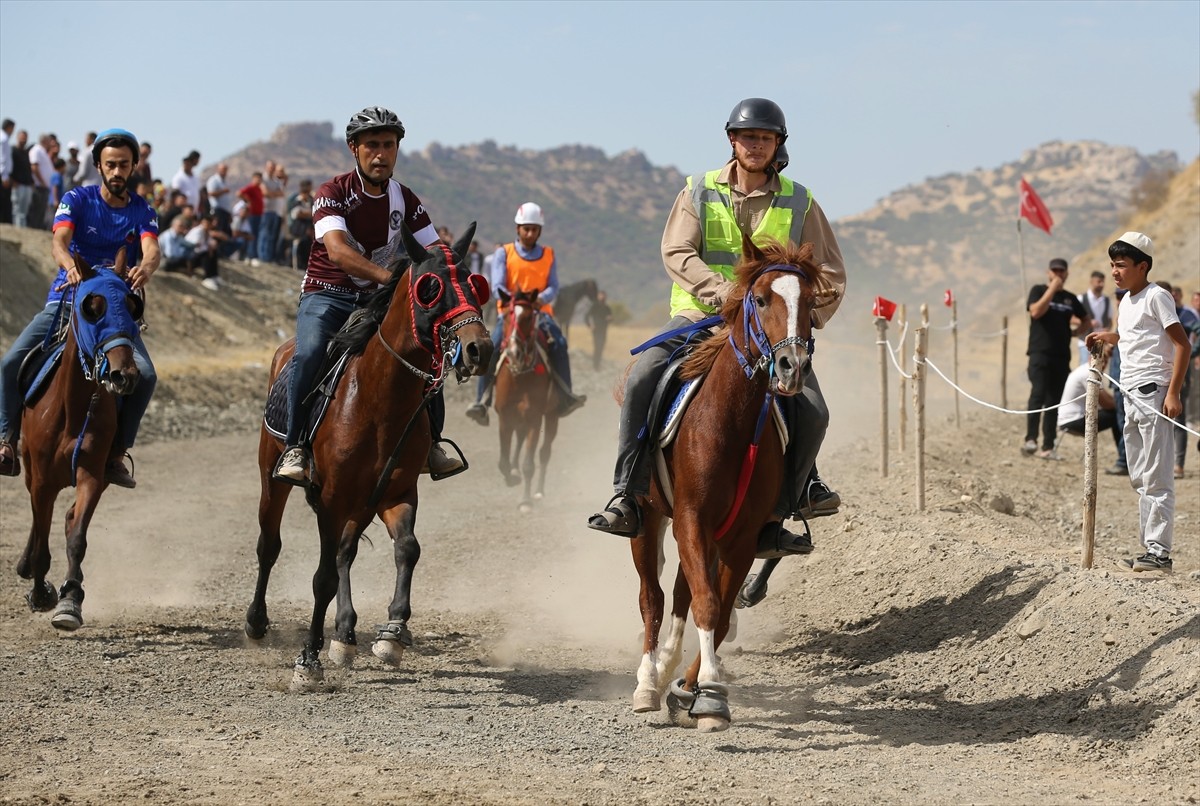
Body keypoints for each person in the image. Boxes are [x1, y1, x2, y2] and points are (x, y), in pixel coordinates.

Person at [586, 98, 846, 558]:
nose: (756, 145)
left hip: (769, 329)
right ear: (732, 140)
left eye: (766, 138)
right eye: (749, 137)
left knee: (814, 409)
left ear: (778, 145)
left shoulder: (801, 200)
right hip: (699, 315)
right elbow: (677, 251)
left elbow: (829, 270)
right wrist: (724, 294)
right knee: (646, 373)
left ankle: (784, 509)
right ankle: (628, 492)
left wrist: (802, 320)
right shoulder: (698, 191)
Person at [273, 106, 465, 485]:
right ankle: (295, 446)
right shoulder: (332, 193)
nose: (381, 153)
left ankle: (433, 443)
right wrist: (390, 280)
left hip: (376, 300)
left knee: (424, 351)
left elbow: (434, 253)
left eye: (389, 145)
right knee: (310, 351)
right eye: (372, 145)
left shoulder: (406, 200)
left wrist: (458, 280)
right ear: (353, 149)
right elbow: (338, 252)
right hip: (326, 294)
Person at [0, 129, 160, 484]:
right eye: (110, 165)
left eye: (124, 165)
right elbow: (59, 241)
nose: (117, 172)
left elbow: (151, 249)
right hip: (68, 300)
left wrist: (145, 268)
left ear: (134, 166)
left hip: (115, 313)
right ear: (99, 167)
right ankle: (7, 440)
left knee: (146, 376)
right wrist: (71, 267)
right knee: (11, 361)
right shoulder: (76, 199)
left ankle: (117, 453)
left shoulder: (142, 210)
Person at [1085, 232, 1190, 572]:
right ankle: (1148, 548)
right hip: (1128, 394)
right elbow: (1132, 337)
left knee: (1157, 476)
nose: (1115, 271)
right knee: (1140, 477)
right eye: (1112, 265)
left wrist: (1173, 392)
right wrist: (1107, 336)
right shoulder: (1126, 301)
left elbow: (1182, 345)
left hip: (1153, 392)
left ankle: (1160, 553)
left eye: (1121, 265)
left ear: (1142, 266)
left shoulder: (1157, 296)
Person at [464, 202, 586, 423]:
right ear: (517, 229)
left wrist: (539, 299)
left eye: (535, 229)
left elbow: (553, 286)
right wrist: (517, 302)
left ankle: (566, 394)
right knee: (491, 345)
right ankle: (481, 400)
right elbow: (498, 286)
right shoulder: (504, 253)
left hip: (540, 312)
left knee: (559, 343)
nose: (530, 233)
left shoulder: (548, 254)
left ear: (540, 231)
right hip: (510, 312)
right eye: (526, 228)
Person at [1022, 257, 1090, 459]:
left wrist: (1076, 331)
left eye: (1062, 271)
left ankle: (1048, 446)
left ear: (1067, 273)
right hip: (1039, 353)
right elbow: (1035, 312)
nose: (1059, 274)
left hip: (1061, 356)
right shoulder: (1039, 290)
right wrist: (1052, 290)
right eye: (1055, 271)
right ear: (1049, 273)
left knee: (1053, 401)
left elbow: (1085, 319)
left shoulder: (1070, 298)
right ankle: (1030, 438)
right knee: (1038, 395)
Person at [1056, 344, 1121, 454]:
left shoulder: (1085, 370)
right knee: (1118, 415)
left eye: (1105, 360)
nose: (1104, 363)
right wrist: (1121, 404)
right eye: (1101, 359)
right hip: (1073, 420)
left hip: (1069, 418)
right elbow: (1105, 403)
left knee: (1116, 412)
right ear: (1091, 358)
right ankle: (1123, 458)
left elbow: (1107, 398)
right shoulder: (1089, 373)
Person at [1077, 270, 1113, 366]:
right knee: (1085, 372)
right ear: (1092, 281)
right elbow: (1071, 318)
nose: (1101, 284)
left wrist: (1107, 330)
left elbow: (1110, 320)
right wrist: (1088, 323)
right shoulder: (1081, 298)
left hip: (1101, 344)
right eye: (1098, 281)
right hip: (1085, 343)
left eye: (1102, 282)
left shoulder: (1106, 300)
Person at [585, 289, 612, 371]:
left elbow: (610, 317)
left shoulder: (607, 307)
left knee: (601, 347)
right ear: (598, 296)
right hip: (596, 330)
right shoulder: (594, 306)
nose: (602, 297)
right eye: (601, 295)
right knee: (597, 347)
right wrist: (590, 325)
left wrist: (610, 318)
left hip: (603, 330)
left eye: (604, 295)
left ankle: (598, 364)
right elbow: (586, 316)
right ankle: (595, 365)